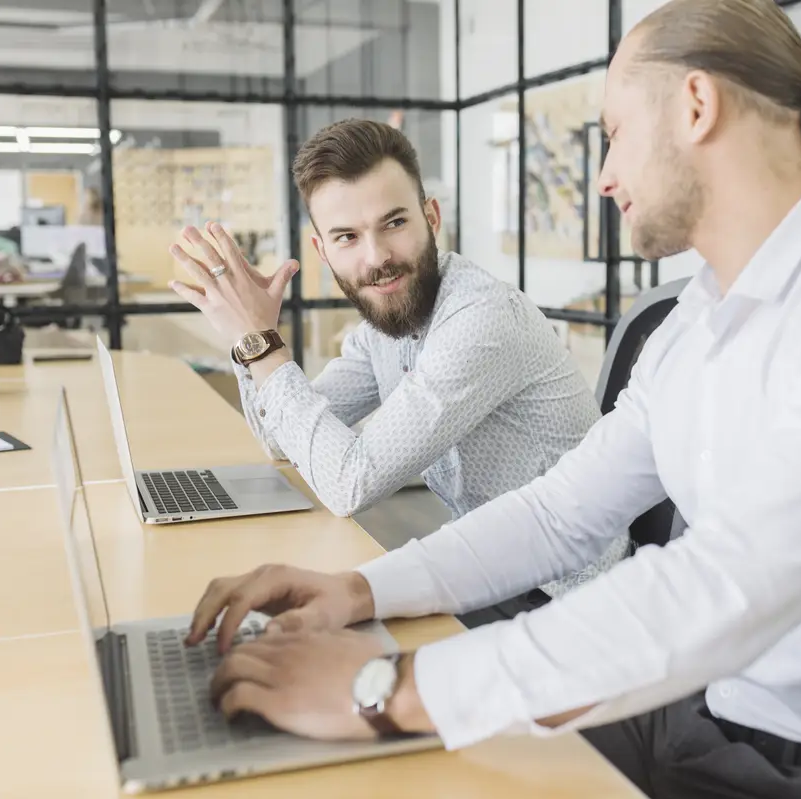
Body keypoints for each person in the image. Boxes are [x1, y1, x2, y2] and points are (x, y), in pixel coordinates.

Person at [184, 1, 801, 798]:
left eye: (616, 135)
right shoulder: (699, 319)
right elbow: (559, 514)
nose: (604, 178)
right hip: (705, 715)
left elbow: (737, 580)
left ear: (695, 106)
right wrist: (360, 592)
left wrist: (387, 687)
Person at [167, 119, 629, 622]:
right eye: (347, 236)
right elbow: (279, 441)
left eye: (394, 223)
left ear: (430, 217)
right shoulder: (383, 327)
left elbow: (349, 483)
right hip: (493, 572)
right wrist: (248, 338)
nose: (377, 258)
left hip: (574, 601)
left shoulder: (481, 320)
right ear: (323, 251)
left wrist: (263, 347)